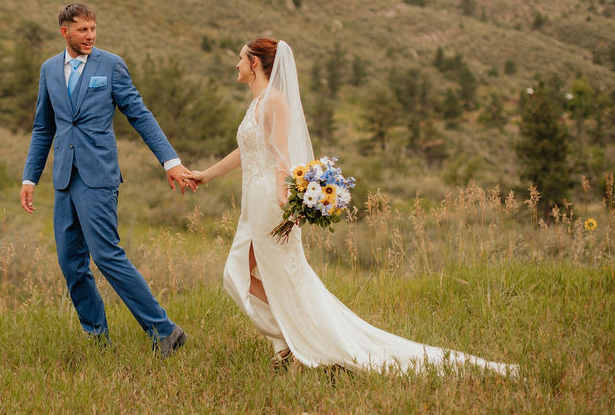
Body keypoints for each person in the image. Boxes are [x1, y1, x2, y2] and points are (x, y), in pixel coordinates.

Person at [184, 38, 518, 375]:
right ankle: (291, 340)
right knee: (250, 274)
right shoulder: (256, 103)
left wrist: (285, 198)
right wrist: (205, 175)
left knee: (248, 274)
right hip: (253, 202)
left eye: (241, 59)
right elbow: (248, 151)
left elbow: (282, 157)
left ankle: (292, 342)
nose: (237, 65)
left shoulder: (274, 103)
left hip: (269, 202)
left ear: (255, 63)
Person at [19, 3, 195, 357]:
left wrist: (170, 161)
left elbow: (139, 114)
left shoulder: (111, 65)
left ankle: (164, 330)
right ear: (64, 31)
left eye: (93, 29)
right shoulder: (49, 70)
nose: (90, 36)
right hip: (64, 177)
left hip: (99, 175)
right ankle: (96, 337)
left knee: (106, 254)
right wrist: (29, 178)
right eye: (82, 30)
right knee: (70, 262)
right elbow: (43, 127)